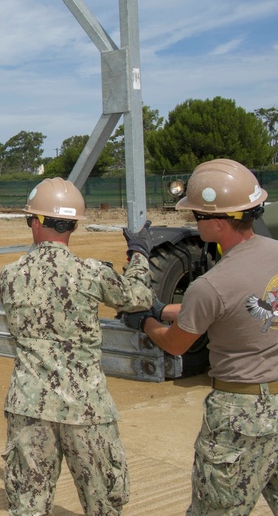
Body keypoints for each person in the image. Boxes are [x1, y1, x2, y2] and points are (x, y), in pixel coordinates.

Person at [122, 159, 278, 515]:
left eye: (197, 216)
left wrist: (145, 321)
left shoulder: (211, 284)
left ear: (219, 223)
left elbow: (176, 343)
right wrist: (162, 309)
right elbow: (244, 306)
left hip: (241, 415)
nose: (193, 221)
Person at [0, 177, 153, 516]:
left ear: (36, 222)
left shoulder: (9, 275)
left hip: (29, 406)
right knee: (104, 506)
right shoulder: (92, 273)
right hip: (87, 408)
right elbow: (139, 297)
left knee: (28, 506)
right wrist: (139, 254)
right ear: (73, 225)